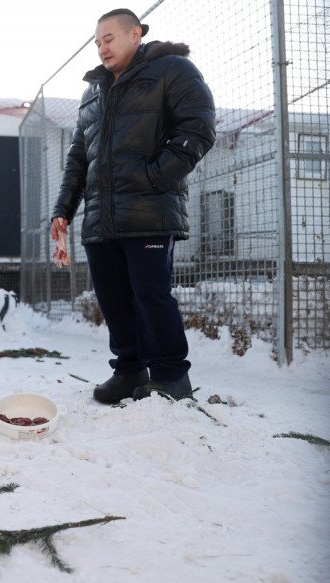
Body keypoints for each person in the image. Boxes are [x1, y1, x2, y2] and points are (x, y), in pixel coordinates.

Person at [50, 8, 215, 404]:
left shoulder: (173, 69)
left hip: (149, 212)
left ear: (135, 34)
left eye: (109, 38)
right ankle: (128, 371)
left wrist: (153, 178)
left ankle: (172, 376)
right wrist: (64, 209)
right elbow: (78, 156)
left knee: (151, 295)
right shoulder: (94, 91)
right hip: (101, 219)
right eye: (97, 42)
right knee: (115, 300)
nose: (102, 47)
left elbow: (198, 127)